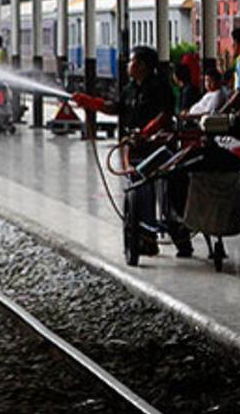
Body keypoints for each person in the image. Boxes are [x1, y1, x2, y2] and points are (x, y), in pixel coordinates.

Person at [74, 46, 190, 257]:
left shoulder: (159, 86)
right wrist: (90, 102)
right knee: (139, 189)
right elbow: (115, 107)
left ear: (142, 66)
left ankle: (181, 239)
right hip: (136, 150)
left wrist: (146, 132)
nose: (128, 65)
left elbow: (165, 114)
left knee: (166, 194)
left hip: (159, 148)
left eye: (132, 61)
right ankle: (146, 238)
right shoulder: (129, 89)